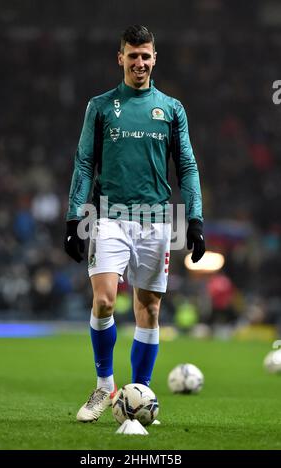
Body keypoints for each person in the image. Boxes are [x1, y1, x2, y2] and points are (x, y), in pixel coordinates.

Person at [64, 25, 205, 422]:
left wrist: (195, 219)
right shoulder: (101, 106)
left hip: (157, 221)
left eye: (146, 55)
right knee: (105, 300)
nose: (139, 62)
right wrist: (74, 217)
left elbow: (188, 166)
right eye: (132, 55)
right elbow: (84, 163)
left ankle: (140, 393)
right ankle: (104, 386)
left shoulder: (172, 109)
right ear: (120, 57)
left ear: (154, 58)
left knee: (150, 311)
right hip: (107, 216)